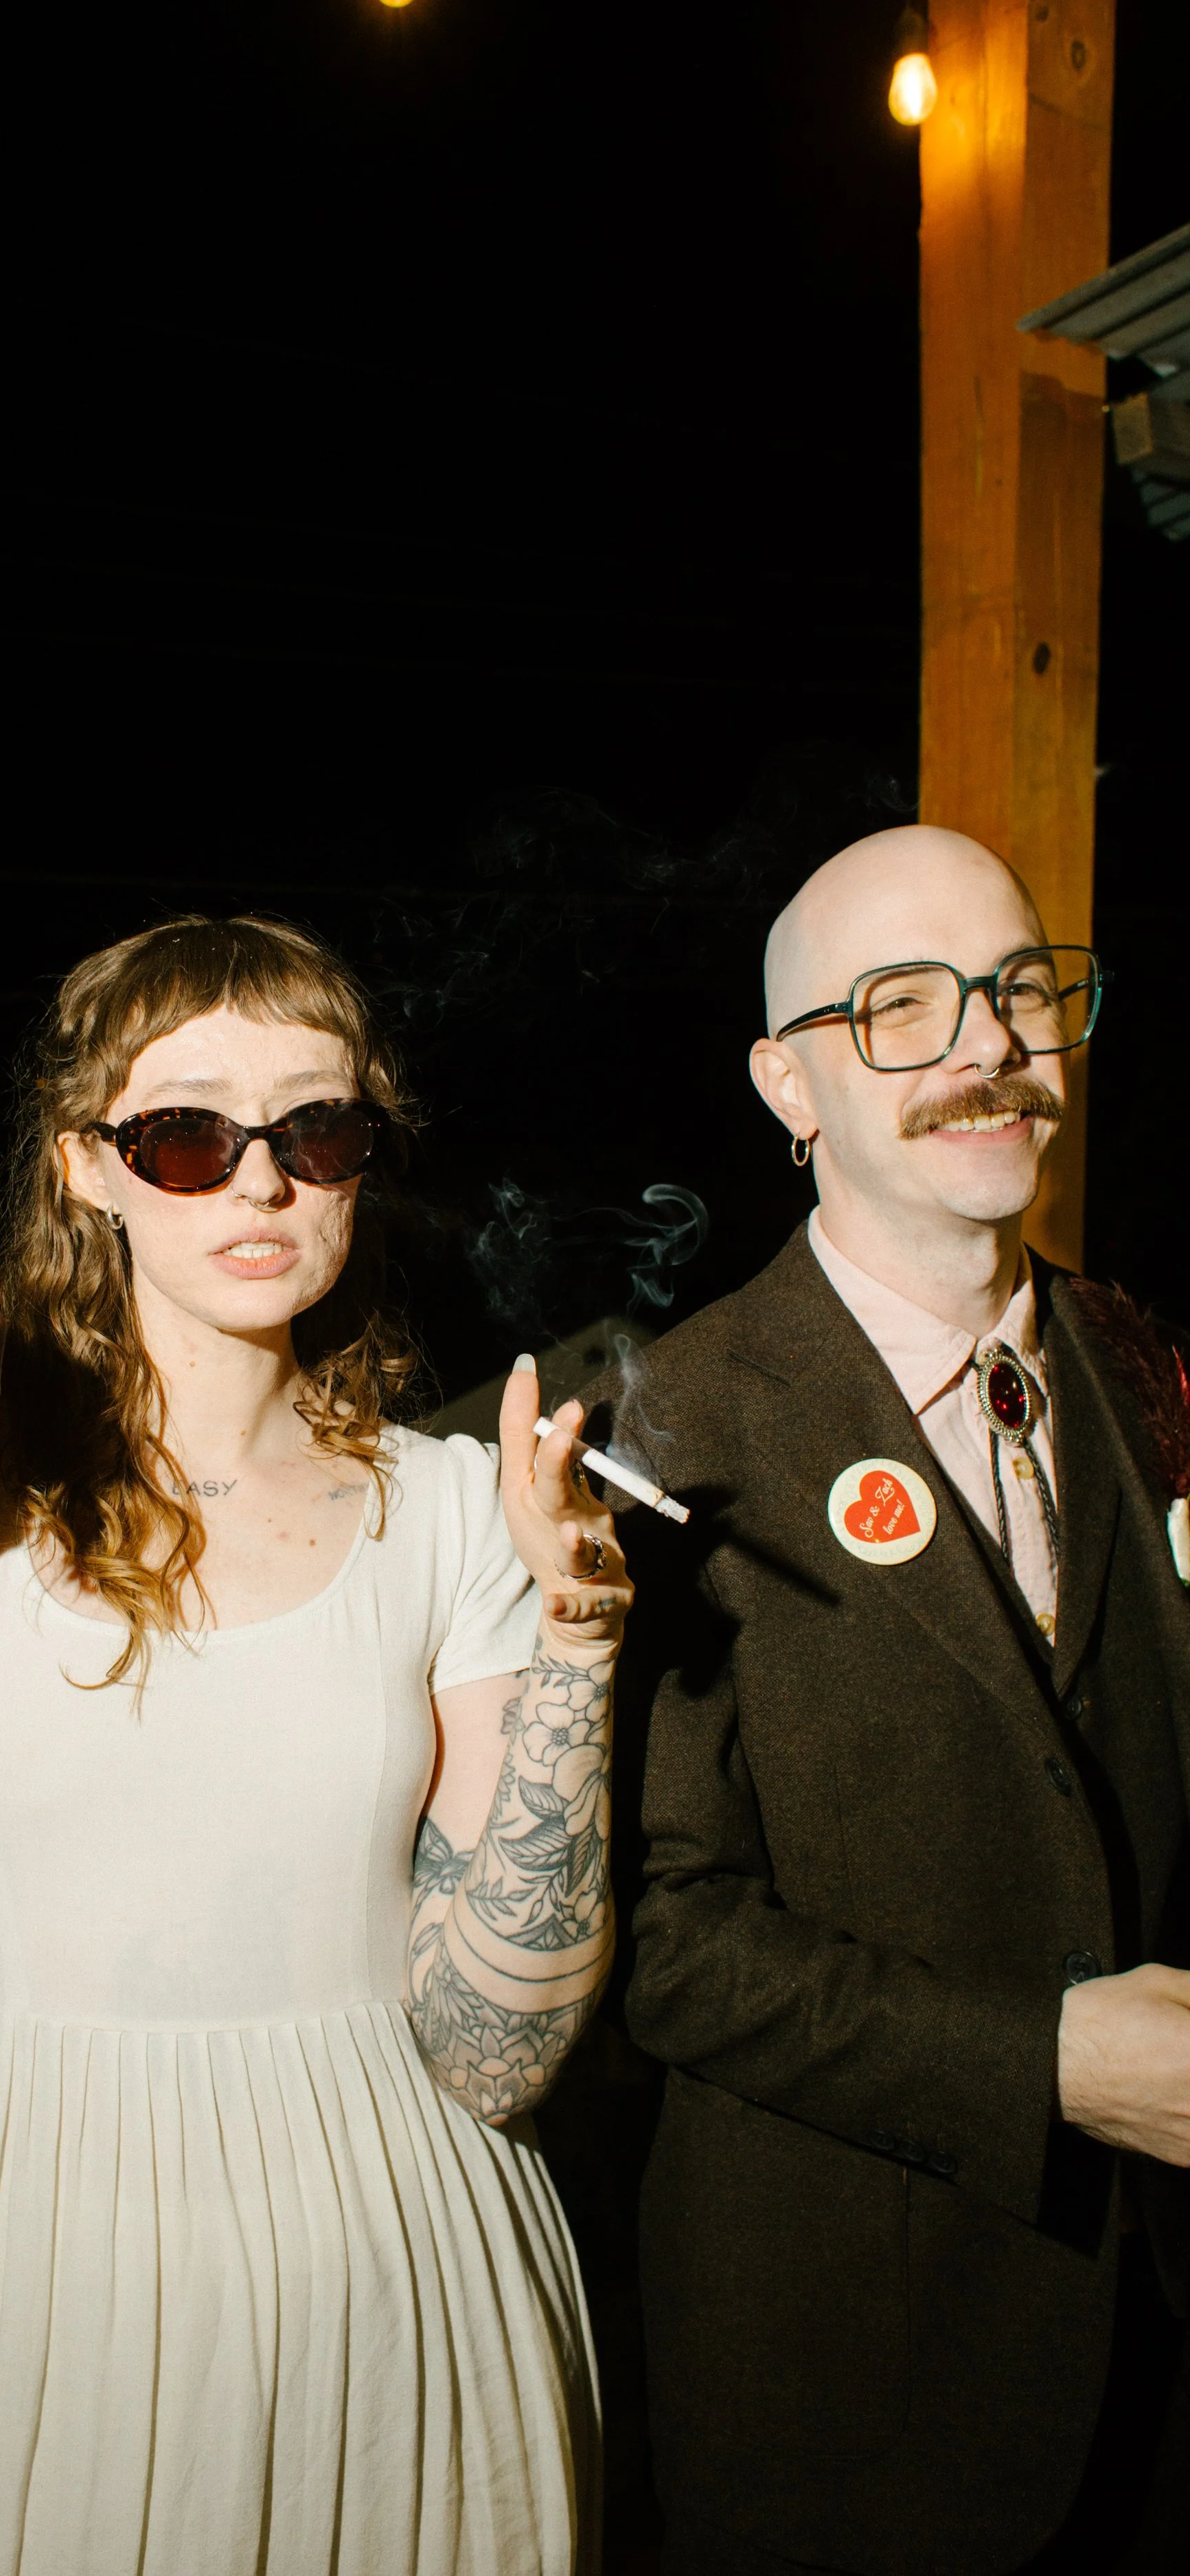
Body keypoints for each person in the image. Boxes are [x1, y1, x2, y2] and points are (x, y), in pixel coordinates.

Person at [0, 914, 630, 2576]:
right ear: (90, 1168)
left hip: (405, 2280)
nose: (260, 1184)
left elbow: (498, 2055)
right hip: (35, 2283)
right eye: (189, 1136)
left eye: (318, 1131)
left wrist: (573, 1637)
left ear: (364, 1162)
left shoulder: (455, 1513)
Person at [582, 826, 1190, 2575]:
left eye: (1016, 992)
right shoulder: (674, 1440)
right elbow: (666, 1943)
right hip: (857, 2394)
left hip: (1153, 2376)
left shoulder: (1140, 1362)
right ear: (788, 1083)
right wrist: (1050, 2063)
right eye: (902, 1011)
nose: (986, 1050)